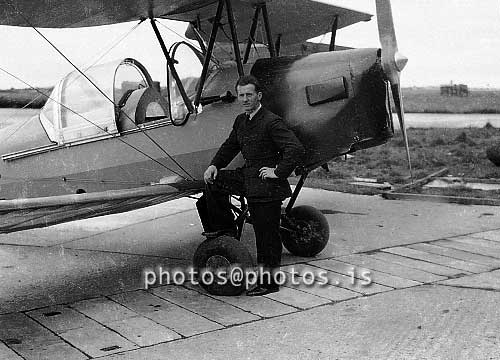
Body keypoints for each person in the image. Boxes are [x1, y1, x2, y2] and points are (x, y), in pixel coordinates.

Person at [196, 74, 305, 296]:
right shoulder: (241, 121)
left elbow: (295, 149)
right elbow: (230, 145)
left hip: (267, 186)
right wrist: (214, 165)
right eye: (241, 95)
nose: (245, 99)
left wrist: (278, 172)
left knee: (267, 236)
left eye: (249, 95)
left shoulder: (271, 121)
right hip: (248, 178)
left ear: (259, 96)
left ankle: (269, 283)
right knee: (213, 182)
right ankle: (225, 232)